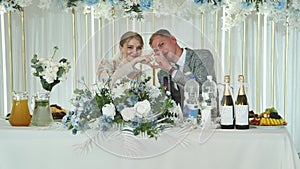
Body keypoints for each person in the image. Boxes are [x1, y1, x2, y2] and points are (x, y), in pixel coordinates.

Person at [149, 29, 216, 106]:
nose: (160, 51)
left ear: (173, 39)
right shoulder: (162, 73)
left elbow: (202, 90)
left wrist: (171, 70)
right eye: (156, 50)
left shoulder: (202, 56)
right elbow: (166, 104)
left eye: (162, 44)